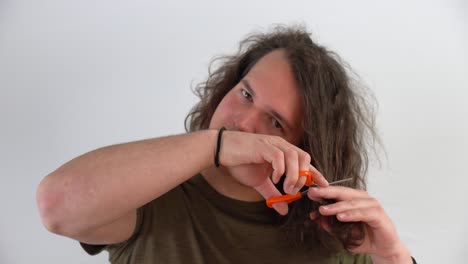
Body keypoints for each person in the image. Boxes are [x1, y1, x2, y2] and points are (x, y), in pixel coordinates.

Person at [36, 25, 415, 263]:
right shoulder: (153, 190)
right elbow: (56, 204)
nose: (245, 123)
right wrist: (213, 145)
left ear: (305, 147)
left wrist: (394, 257)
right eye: (246, 94)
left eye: (276, 121)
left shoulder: (335, 234)